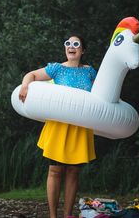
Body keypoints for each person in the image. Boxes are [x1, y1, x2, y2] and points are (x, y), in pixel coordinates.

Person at [19, 35, 97, 218]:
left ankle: (67, 216)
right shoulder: (56, 69)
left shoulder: (90, 72)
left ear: (82, 50)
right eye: (68, 44)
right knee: (55, 170)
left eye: (76, 44)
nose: (71, 46)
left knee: (73, 172)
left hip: (80, 128)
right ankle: (53, 216)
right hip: (58, 127)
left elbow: (102, 95)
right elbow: (31, 75)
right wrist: (25, 85)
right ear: (65, 49)